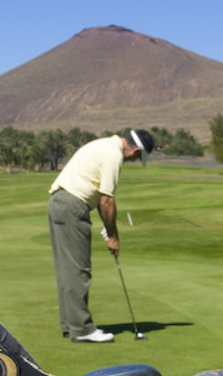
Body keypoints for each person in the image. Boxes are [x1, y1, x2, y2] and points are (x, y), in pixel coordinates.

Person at [48, 129, 154, 343]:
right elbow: (107, 201)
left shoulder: (103, 145)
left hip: (58, 202)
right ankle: (82, 329)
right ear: (135, 149)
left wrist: (108, 229)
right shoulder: (114, 156)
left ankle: (71, 324)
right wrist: (113, 236)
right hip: (73, 205)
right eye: (137, 157)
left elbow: (97, 196)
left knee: (66, 269)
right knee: (79, 270)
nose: (133, 161)